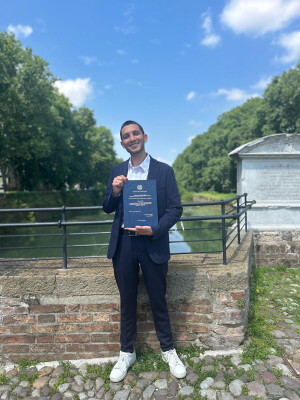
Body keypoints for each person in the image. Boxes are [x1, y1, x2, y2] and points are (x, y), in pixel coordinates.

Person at [103, 120, 186, 382]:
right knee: (127, 301)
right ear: (122, 142)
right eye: (126, 136)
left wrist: (156, 229)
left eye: (135, 133)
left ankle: (168, 349)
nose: (132, 138)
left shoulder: (164, 171)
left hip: (153, 241)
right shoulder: (117, 170)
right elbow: (106, 206)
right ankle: (127, 352)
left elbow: (175, 209)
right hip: (125, 244)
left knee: (158, 298)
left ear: (145, 137)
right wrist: (115, 192)